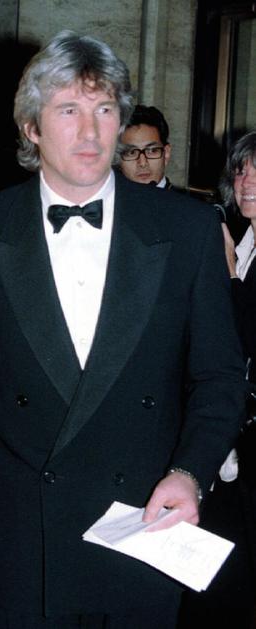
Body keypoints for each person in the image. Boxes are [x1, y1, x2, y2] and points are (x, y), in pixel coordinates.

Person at [0, 31, 245, 628]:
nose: (90, 132)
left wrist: (191, 472)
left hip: (145, 522)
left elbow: (220, 376)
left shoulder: (186, 229)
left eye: (104, 109)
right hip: (23, 540)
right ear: (31, 127)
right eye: (68, 111)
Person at [178, 130, 256, 629]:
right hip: (231, 439)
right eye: (242, 171)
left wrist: (227, 278)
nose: (247, 182)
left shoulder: (234, 252)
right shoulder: (241, 239)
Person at [117, 104, 174, 187]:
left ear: (166, 154)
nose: (143, 163)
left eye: (152, 151)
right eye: (132, 153)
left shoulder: (183, 196)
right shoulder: (109, 195)